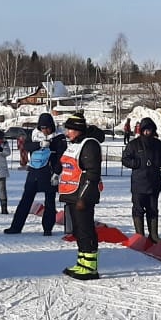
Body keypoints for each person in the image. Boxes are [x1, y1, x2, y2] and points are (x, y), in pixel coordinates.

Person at [58, 113, 105, 278]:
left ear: (78, 129)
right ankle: (82, 262)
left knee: (86, 230)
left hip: (83, 196)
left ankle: (90, 267)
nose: (67, 133)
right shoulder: (74, 144)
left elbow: (92, 174)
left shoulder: (89, 144)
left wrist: (83, 198)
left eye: (70, 129)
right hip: (71, 194)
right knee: (78, 231)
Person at [5, 112, 65, 236]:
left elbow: (61, 157)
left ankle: (47, 228)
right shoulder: (33, 134)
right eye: (42, 128)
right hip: (34, 172)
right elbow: (26, 146)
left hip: (49, 173)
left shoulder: (59, 138)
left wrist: (57, 173)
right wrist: (39, 144)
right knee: (26, 200)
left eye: (47, 128)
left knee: (50, 202)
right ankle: (16, 227)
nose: (45, 131)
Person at [121, 116, 161, 241]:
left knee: (152, 209)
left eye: (149, 130)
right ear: (141, 130)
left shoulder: (157, 144)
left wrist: (158, 161)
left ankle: (154, 235)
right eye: (145, 130)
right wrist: (136, 163)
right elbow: (125, 159)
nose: (147, 132)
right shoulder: (134, 144)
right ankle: (140, 236)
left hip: (153, 182)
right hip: (138, 183)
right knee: (138, 209)